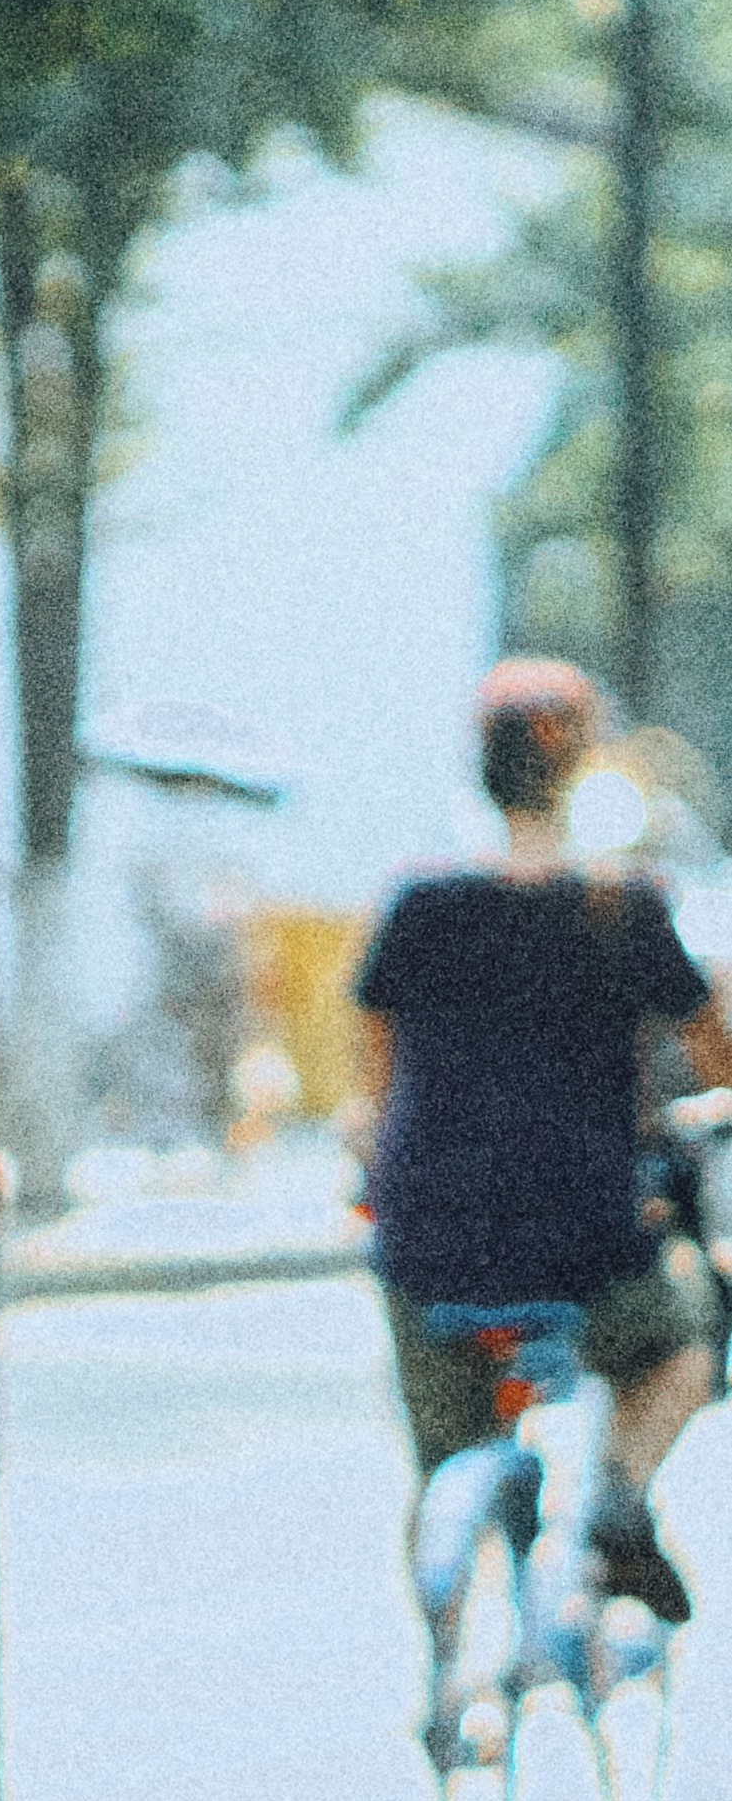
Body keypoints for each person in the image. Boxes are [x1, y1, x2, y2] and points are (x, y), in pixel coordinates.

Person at [354, 657, 732, 1624]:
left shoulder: (418, 905)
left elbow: (373, 1087)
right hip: (585, 1241)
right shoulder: (624, 904)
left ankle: (449, 1681)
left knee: (440, 1459)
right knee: (689, 1331)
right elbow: (715, 1051)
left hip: (427, 1242)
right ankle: (618, 1490)